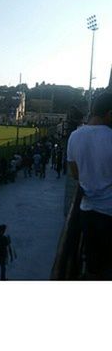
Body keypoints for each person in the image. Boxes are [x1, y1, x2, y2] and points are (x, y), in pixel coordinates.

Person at [66, 92, 112, 278]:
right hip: (109, 213)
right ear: (109, 113)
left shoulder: (74, 137)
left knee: (92, 265)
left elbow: (75, 174)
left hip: (87, 210)